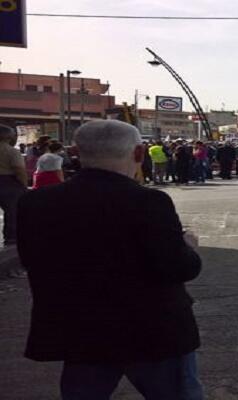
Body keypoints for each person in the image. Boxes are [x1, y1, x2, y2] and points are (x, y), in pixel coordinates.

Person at [16, 120, 203, 399]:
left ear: (76, 152)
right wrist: (188, 245)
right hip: (152, 332)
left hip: (79, 332)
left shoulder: (35, 203)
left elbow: (32, 260)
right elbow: (180, 267)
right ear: (139, 154)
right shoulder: (148, 201)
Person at [0, 125, 27, 251]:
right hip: (8, 182)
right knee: (12, 212)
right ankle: (11, 240)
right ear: (8, 136)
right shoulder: (11, 151)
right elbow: (19, 170)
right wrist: (24, 185)